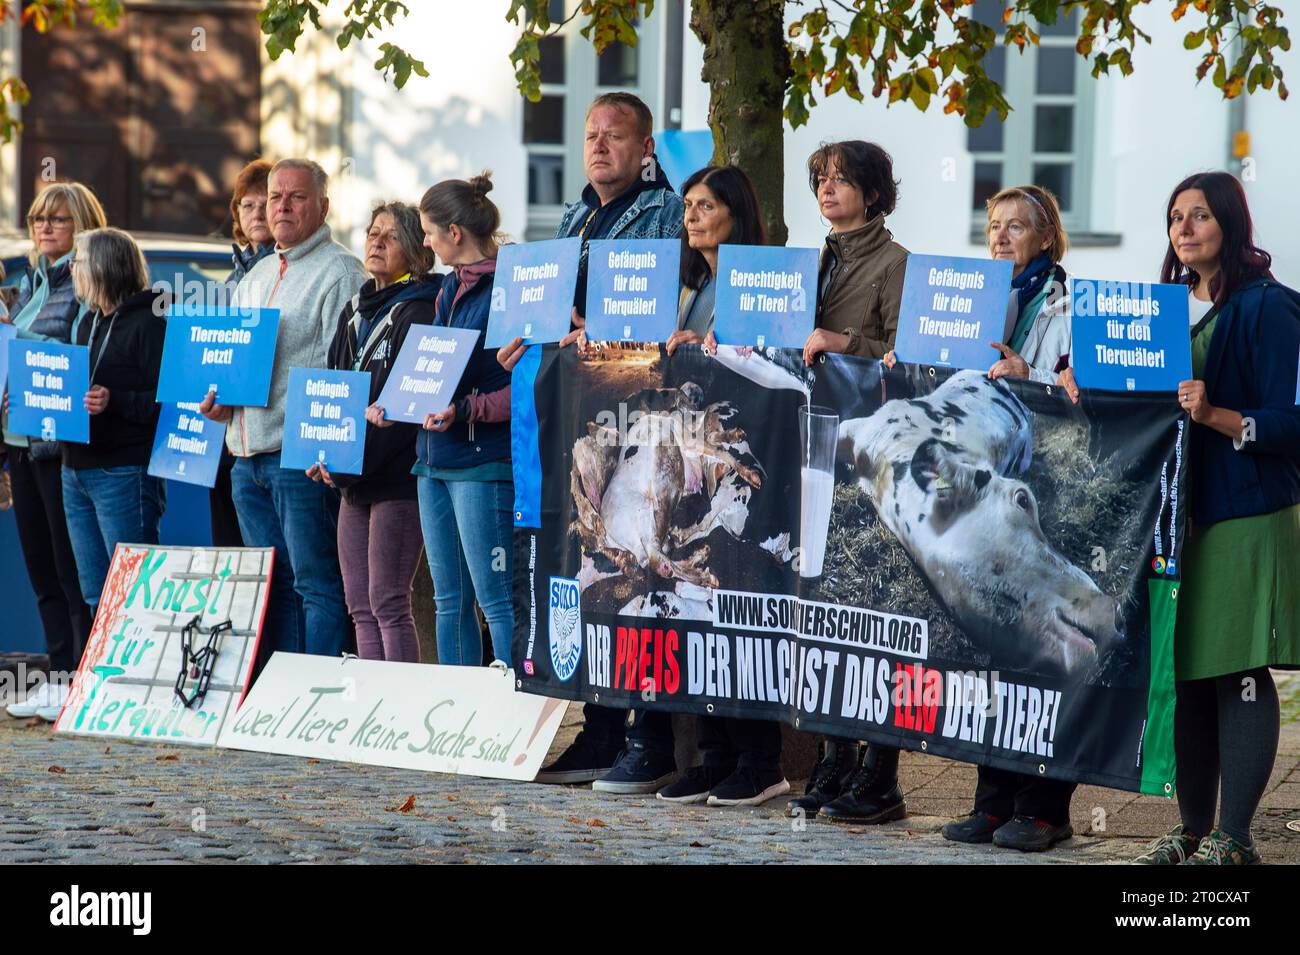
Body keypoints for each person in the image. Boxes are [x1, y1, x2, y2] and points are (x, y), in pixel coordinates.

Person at [1110, 171, 1297, 865]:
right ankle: (1190, 830)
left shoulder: (1269, 308)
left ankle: (1236, 836)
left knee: (1238, 672)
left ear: (1231, 224)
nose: (1184, 229)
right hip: (1170, 518)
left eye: (1200, 216)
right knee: (1186, 672)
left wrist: (1215, 414)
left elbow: (1292, 421)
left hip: (1243, 512)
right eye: (1175, 218)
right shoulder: (1154, 311)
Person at [528, 92, 685, 793]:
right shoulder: (572, 213)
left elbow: (646, 308)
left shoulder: (664, 213)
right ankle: (597, 730)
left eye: (614, 136)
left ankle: (648, 738)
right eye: (590, 135)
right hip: (576, 412)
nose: (598, 147)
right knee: (581, 568)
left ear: (645, 146)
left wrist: (595, 326)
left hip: (638, 412)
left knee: (636, 568)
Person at [924, 185, 1078, 851]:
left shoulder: (1067, 304)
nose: (1001, 236)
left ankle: (1045, 805)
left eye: (1017, 226)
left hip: (1044, 498)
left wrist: (1029, 378)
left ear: (1046, 238)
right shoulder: (977, 297)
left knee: (1041, 650)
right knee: (992, 644)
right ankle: (992, 801)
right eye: (993, 225)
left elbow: (1084, 396)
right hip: (982, 501)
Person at [650, 164, 789, 806]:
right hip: (694, 466)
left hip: (749, 470)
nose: (693, 216)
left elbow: (776, 366)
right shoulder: (694, 286)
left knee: (740, 614)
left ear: (736, 212)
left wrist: (715, 351)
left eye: (707, 205)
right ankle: (712, 756)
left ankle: (760, 761)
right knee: (696, 609)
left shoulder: (764, 280)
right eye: (689, 207)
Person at [199, 158, 367, 659]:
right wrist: (221, 403)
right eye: (275, 197)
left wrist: (326, 451)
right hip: (245, 459)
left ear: (323, 205)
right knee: (271, 589)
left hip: (299, 460)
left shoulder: (341, 272)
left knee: (316, 585)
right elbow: (239, 365)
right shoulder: (259, 273)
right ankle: (277, 701)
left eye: (296, 196)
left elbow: (347, 374)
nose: (283, 206)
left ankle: (314, 703)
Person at [789, 141, 909, 823]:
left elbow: (911, 356)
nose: (828, 190)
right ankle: (834, 755)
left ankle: (882, 769)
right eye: (821, 180)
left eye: (843, 180)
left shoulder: (897, 264)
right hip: (809, 455)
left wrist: (844, 345)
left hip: (868, 461)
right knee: (823, 610)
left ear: (873, 191)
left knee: (878, 610)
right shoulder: (806, 264)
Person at [310, 201, 439, 662]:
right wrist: (324, 452)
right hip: (351, 480)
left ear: (418, 252)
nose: (376, 241)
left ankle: (400, 712)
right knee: (359, 606)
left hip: (395, 479)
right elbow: (332, 392)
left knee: (388, 602)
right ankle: (370, 709)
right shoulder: (355, 309)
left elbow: (405, 412)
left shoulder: (420, 311)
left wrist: (347, 466)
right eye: (372, 232)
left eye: (391, 236)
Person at [2, 182, 105, 722]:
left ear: (81, 226)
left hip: (58, 447)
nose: (44, 228)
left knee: (71, 570)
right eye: (39, 218)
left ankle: (80, 678)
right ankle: (58, 676)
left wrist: (18, 346)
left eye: (58, 220)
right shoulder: (26, 284)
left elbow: (79, 353)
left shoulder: (83, 286)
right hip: (19, 444)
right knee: (41, 567)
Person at [407, 173, 514, 668]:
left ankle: (516, 714)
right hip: (434, 460)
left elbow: (528, 387)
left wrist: (467, 410)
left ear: (454, 232)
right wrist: (396, 405)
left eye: (428, 232)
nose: (423, 242)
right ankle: (457, 714)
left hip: (481, 462)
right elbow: (435, 368)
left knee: (496, 602)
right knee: (448, 600)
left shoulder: (511, 286)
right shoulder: (447, 288)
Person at [61, 228, 168, 641]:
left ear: (105, 267)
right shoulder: (90, 320)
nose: (72, 267)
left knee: (134, 592)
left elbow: (169, 404)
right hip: (76, 471)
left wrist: (116, 401)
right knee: (95, 594)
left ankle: (143, 691)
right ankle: (104, 692)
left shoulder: (149, 322)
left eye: (80, 260)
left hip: (122, 474)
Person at [210, 159, 276, 549]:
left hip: (263, 436)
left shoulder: (283, 271)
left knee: (269, 563)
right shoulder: (231, 279)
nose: (255, 213)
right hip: (221, 440)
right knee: (230, 556)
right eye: (245, 205)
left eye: (263, 203)